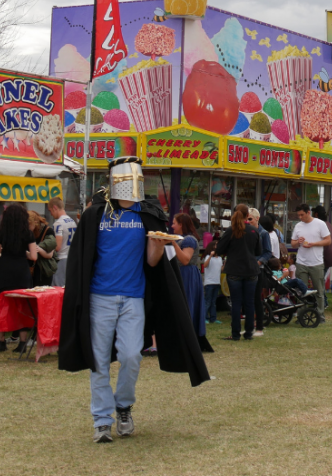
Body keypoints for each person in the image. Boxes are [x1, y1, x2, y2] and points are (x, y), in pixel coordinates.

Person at [59, 157, 210, 444]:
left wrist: (157, 245)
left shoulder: (148, 215)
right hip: (99, 298)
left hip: (134, 298)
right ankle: (102, 420)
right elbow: (82, 259)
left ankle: (124, 405)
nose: (132, 184)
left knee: (131, 356)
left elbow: (152, 263)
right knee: (99, 361)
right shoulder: (96, 215)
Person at [0, 204, 38, 354]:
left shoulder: (1, 234)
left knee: (0, 305)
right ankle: (22, 343)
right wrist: (23, 253)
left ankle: (1, 342)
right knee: (22, 305)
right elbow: (34, 257)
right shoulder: (28, 233)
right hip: (21, 271)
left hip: (4, 271)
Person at [216, 204, 263, 340]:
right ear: (247, 215)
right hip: (251, 270)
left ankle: (235, 333)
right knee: (249, 303)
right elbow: (258, 252)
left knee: (236, 303)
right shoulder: (254, 231)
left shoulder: (231, 231)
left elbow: (219, 249)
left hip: (234, 270)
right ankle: (249, 333)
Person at [171, 213, 208, 345]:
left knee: (187, 303)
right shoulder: (180, 239)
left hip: (187, 274)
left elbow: (185, 260)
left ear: (181, 224)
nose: (172, 226)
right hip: (180, 273)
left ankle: (188, 336)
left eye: (174, 223)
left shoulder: (189, 240)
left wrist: (173, 244)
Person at [291, 203, 332, 323]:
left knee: (319, 290)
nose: (300, 217)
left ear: (308, 212)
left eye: (302, 215)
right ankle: (301, 315)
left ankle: (320, 315)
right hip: (301, 262)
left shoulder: (320, 224)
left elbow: (328, 241)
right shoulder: (298, 226)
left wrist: (314, 244)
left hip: (316, 262)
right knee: (301, 291)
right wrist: (298, 242)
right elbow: (293, 243)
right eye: (298, 215)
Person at [248, 208, 273, 336]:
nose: (248, 221)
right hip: (247, 268)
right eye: (246, 219)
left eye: (250, 219)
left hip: (258, 269)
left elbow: (268, 252)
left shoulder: (263, 233)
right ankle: (250, 325)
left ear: (257, 218)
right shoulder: (246, 231)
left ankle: (259, 327)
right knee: (248, 298)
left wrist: (258, 262)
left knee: (257, 298)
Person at [49, 197, 77, 287]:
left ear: (55, 208)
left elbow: (57, 246)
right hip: (70, 258)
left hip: (61, 259)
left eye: (50, 211)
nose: (51, 214)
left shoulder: (58, 223)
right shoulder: (72, 221)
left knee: (58, 288)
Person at [28, 210, 58, 287]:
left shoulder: (48, 231)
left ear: (35, 222)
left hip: (42, 272)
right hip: (29, 272)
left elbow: (49, 255)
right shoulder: (27, 232)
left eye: (28, 224)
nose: (27, 227)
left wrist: (37, 248)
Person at [201, 240, 223, 324]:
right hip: (209, 282)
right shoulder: (207, 257)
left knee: (213, 302)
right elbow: (205, 265)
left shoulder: (220, 258)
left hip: (217, 282)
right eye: (216, 245)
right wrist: (210, 256)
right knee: (208, 301)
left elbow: (221, 269)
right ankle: (205, 317)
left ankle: (213, 318)